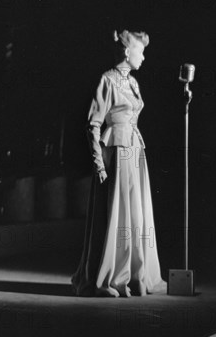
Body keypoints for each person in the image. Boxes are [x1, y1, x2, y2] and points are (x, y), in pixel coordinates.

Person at [71, 30, 167, 297]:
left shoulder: (134, 83)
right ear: (127, 52)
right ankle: (108, 279)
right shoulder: (108, 80)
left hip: (135, 150)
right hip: (116, 152)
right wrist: (98, 163)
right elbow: (93, 124)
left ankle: (138, 276)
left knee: (136, 213)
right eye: (141, 51)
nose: (144, 57)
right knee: (117, 214)